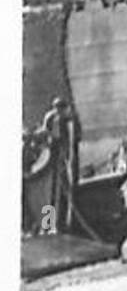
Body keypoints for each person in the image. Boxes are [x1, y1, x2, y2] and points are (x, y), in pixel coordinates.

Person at [40, 96, 80, 232]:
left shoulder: (70, 120)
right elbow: (46, 136)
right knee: (51, 195)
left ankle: (66, 224)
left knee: (67, 194)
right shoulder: (51, 118)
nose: (58, 111)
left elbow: (73, 141)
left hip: (65, 160)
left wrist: (69, 161)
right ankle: (49, 225)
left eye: (61, 108)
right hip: (53, 161)